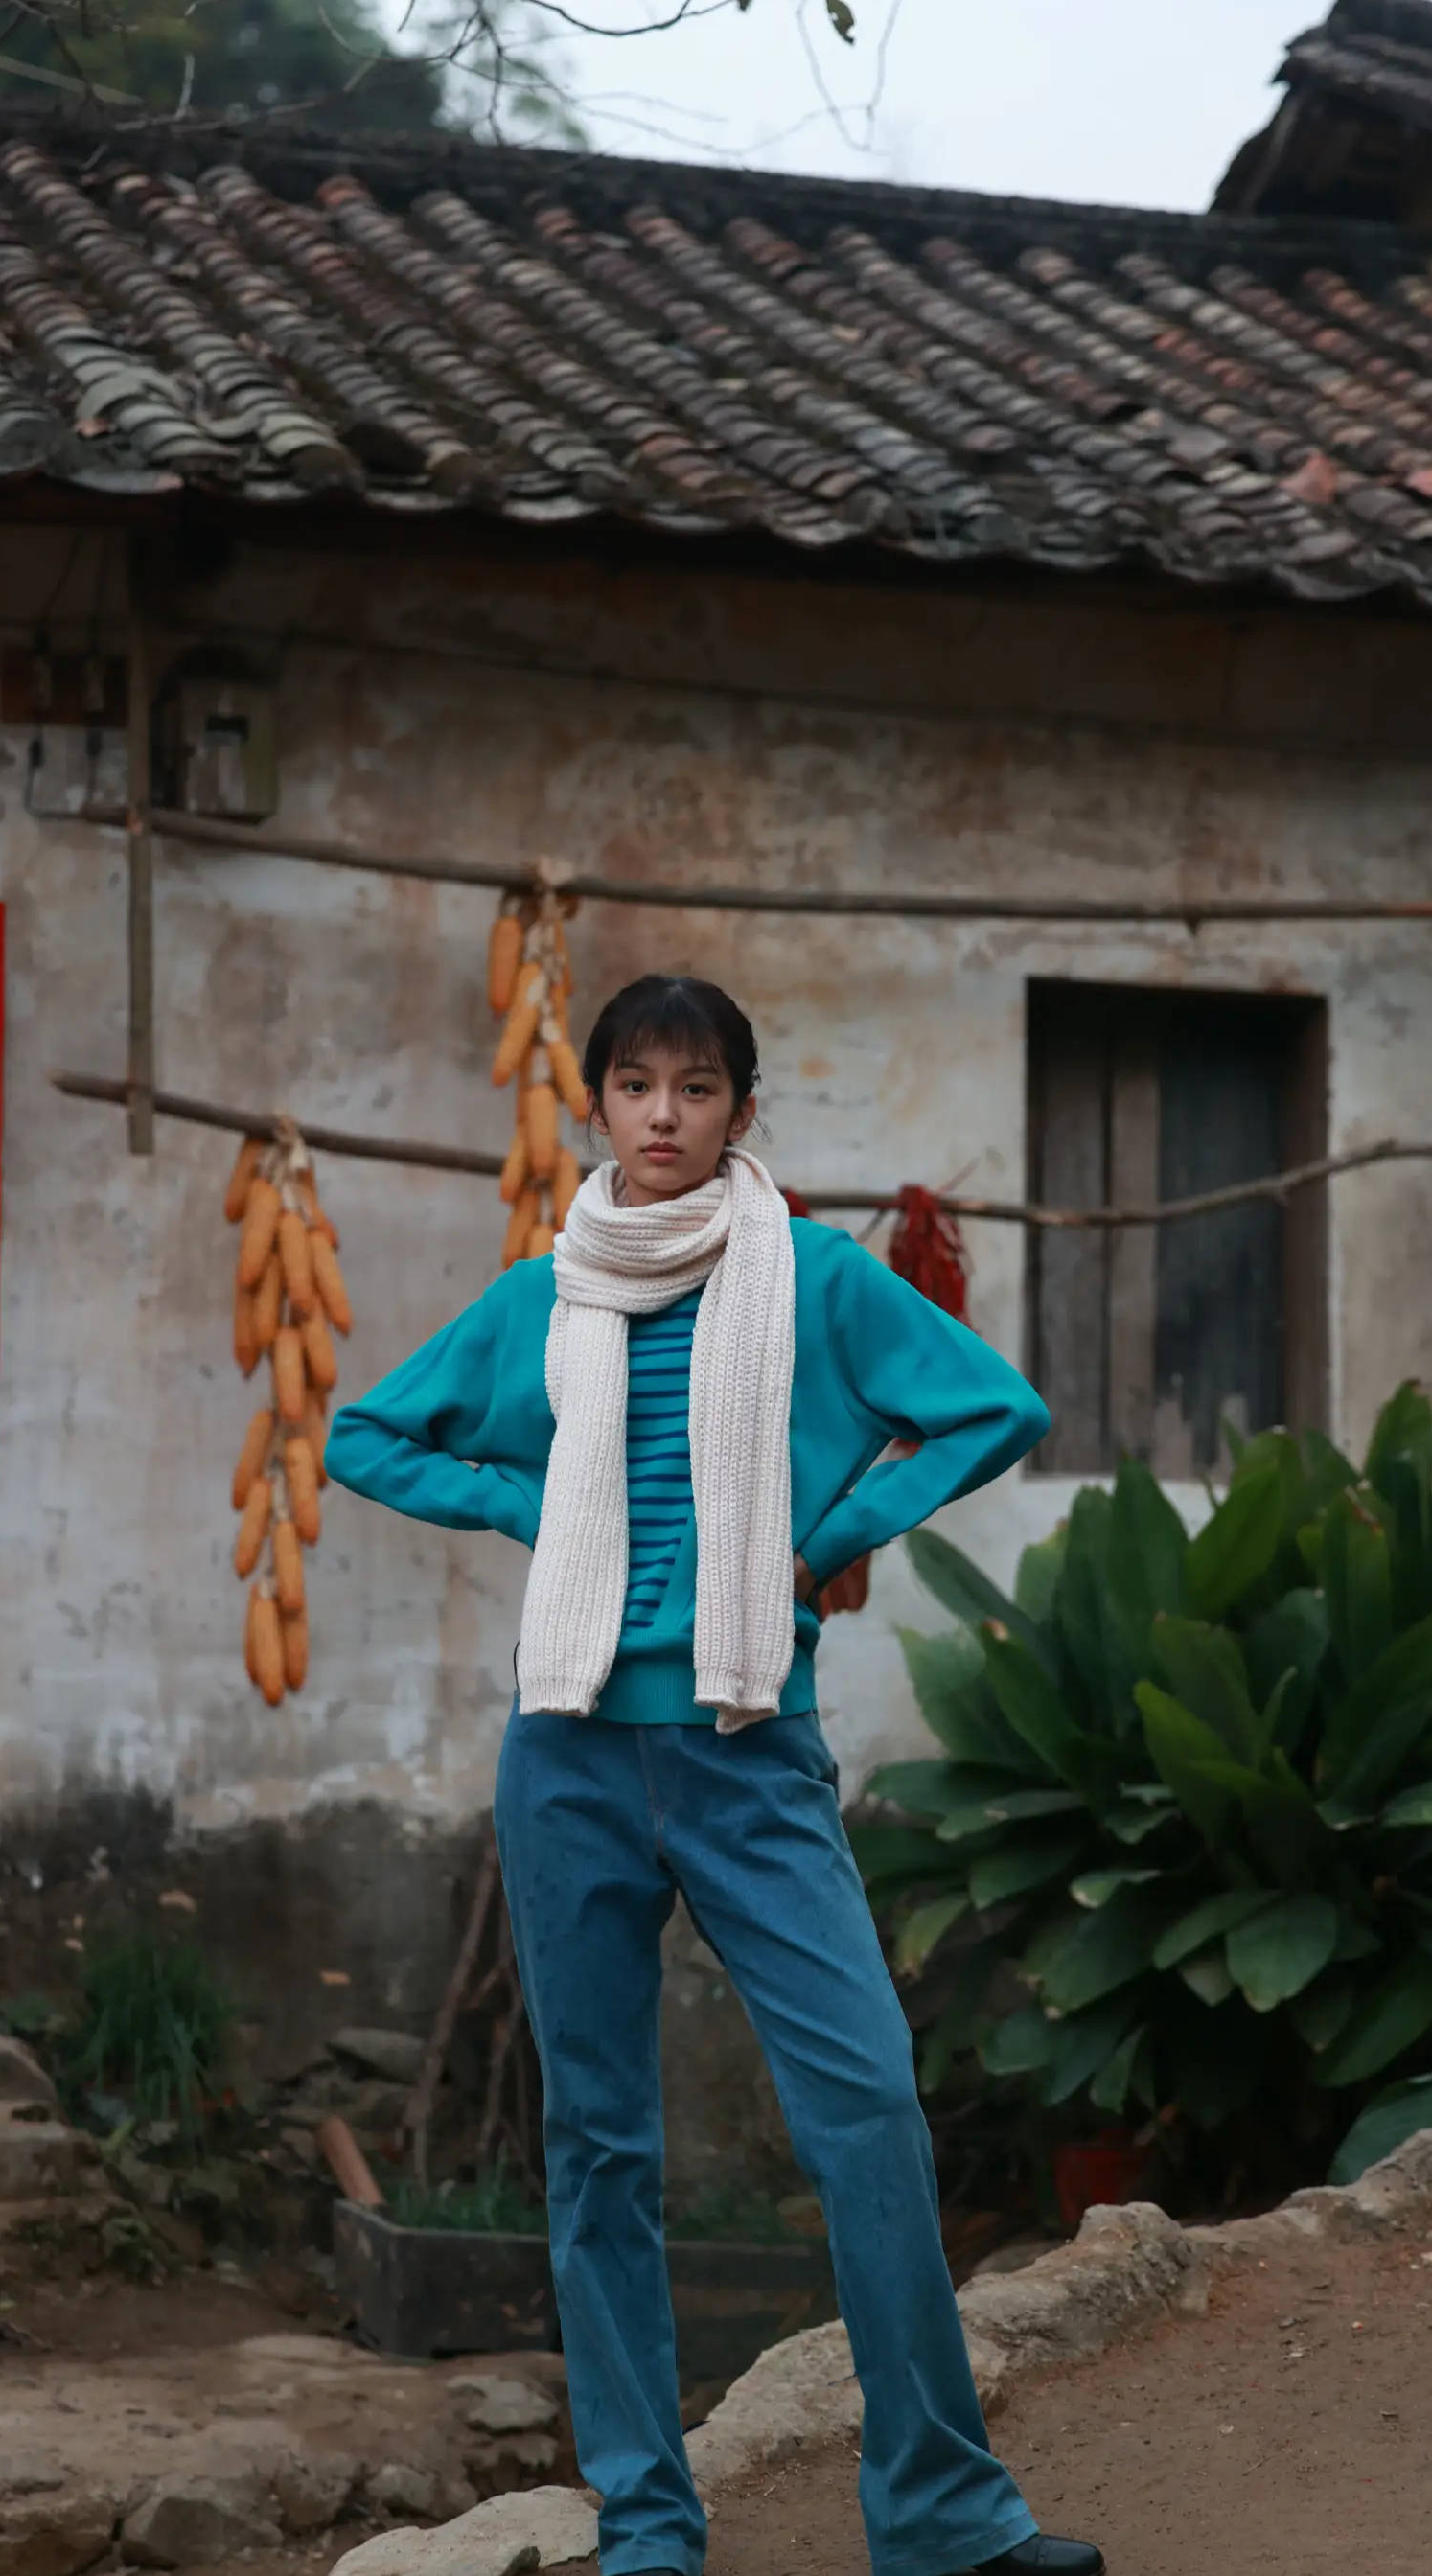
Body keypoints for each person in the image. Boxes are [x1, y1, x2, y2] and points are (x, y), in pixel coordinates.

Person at [327, 974, 1103, 2576]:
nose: (664, 1116)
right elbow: (366, 1437)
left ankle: (944, 2514)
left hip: (751, 1755)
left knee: (868, 2108)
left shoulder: (814, 1279)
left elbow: (994, 1408)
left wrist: (829, 1536)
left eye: (696, 1088)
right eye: (635, 1086)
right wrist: (536, 1505)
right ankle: (647, 2520)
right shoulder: (543, 1299)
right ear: (597, 1107)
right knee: (601, 2145)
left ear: (745, 1112)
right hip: (570, 1758)